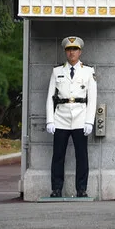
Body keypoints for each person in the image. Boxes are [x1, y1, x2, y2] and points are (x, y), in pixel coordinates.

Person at [45, 36, 97, 198]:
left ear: (80, 52)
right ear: (65, 52)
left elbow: (93, 98)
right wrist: (50, 120)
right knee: (58, 156)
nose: (71, 52)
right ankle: (56, 189)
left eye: (74, 49)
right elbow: (50, 97)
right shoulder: (57, 71)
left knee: (82, 156)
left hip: (80, 117)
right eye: (68, 49)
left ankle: (81, 189)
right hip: (61, 117)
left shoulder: (88, 71)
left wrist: (89, 120)